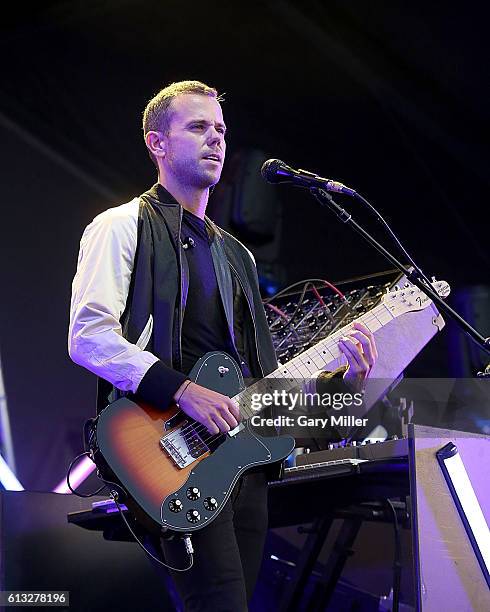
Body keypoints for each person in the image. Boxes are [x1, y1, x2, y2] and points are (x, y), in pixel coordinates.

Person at [68, 80, 378, 611]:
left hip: (242, 462)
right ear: (156, 143)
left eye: (221, 130)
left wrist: (341, 378)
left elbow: (263, 378)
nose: (215, 139)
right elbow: (89, 337)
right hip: (170, 452)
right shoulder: (120, 226)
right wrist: (183, 390)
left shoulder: (238, 256)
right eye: (197, 127)